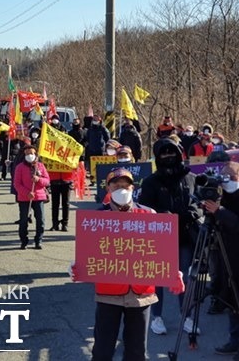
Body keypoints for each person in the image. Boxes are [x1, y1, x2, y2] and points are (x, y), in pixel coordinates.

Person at [74, 168, 184, 361]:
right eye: (116, 185)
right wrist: (76, 267)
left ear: (133, 188)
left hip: (142, 295)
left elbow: (161, 252)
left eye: (126, 185)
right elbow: (87, 253)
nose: (121, 189)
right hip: (108, 293)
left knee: (137, 352)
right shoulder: (97, 219)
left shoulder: (149, 214)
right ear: (108, 188)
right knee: (102, 350)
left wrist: (174, 273)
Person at [139, 138, 201, 335]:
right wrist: (161, 214)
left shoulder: (190, 177)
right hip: (160, 237)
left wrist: (193, 212)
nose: (168, 156)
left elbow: (199, 202)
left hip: (185, 235)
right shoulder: (151, 182)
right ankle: (156, 317)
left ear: (179, 153)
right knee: (158, 277)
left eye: (171, 152)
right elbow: (143, 208)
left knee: (185, 276)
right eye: (163, 153)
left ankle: (187, 316)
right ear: (158, 157)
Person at [202, 162, 239, 357]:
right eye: (224, 177)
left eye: (232, 177)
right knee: (233, 300)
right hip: (226, 255)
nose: (228, 181)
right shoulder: (222, 196)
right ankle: (234, 341)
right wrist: (211, 211)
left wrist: (220, 212)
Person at [13, 145, 50, 249]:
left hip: (39, 197)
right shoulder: (19, 167)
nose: (30, 156)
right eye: (27, 154)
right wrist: (27, 193)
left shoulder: (40, 166)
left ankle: (38, 240)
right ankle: (24, 241)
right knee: (23, 220)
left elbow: (47, 181)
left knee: (40, 220)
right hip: (25, 198)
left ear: (35, 154)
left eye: (32, 153)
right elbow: (17, 184)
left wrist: (38, 179)